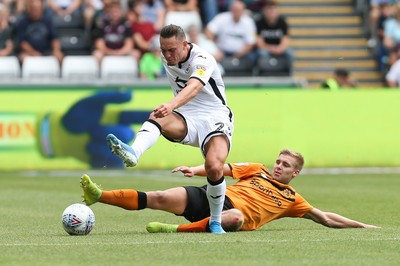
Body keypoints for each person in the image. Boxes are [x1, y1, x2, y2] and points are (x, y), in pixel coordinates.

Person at [106, 24, 234, 234]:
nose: (166, 55)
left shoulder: (203, 59)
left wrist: (172, 104)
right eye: (162, 50)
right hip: (187, 117)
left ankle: (215, 221)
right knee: (157, 116)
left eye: (171, 50)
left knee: (213, 166)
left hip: (215, 116)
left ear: (185, 44)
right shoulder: (167, 57)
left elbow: (194, 87)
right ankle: (133, 153)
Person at [80, 148, 379, 233]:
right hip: (213, 197)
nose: (277, 166)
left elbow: (324, 217)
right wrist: (195, 169)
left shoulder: (292, 199)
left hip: (230, 216)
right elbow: (221, 168)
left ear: (295, 173)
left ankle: (174, 230)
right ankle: (99, 196)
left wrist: (362, 225)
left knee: (235, 217)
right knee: (157, 197)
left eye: (285, 165)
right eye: (278, 161)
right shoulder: (257, 169)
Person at [204, 0, 257, 65]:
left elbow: (251, 43)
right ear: (231, 10)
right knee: (209, 55)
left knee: (253, 56)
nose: (237, 13)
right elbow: (208, 31)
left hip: (242, 53)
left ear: (243, 11)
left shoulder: (248, 22)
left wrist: (239, 54)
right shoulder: (222, 18)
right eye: (235, 10)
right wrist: (215, 48)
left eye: (239, 11)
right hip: (222, 52)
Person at [255, 0, 293, 74]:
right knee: (262, 53)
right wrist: (271, 49)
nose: (271, 12)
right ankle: (263, 74)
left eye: (273, 9)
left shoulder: (283, 22)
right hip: (266, 49)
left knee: (289, 53)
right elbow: (259, 43)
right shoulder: (259, 22)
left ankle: (288, 74)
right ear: (264, 10)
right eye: (269, 9)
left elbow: (286, 40)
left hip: (279, 49)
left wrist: (280, 49)